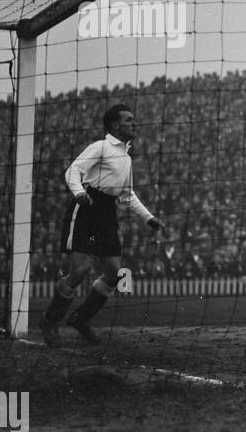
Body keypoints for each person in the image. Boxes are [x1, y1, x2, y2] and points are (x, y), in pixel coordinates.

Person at [39, 104, 165, 346]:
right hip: (87, 206)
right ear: (115, 125)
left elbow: (127, 195)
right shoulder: (101, 147)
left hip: (107, 212)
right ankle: (49, 320)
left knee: (114, 272)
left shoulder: (126, 158)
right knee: (80, 270)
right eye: (128, 120)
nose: (133, 123)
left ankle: (80, 318)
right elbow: (72, 171)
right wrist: (78, 193)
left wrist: (148, 217)